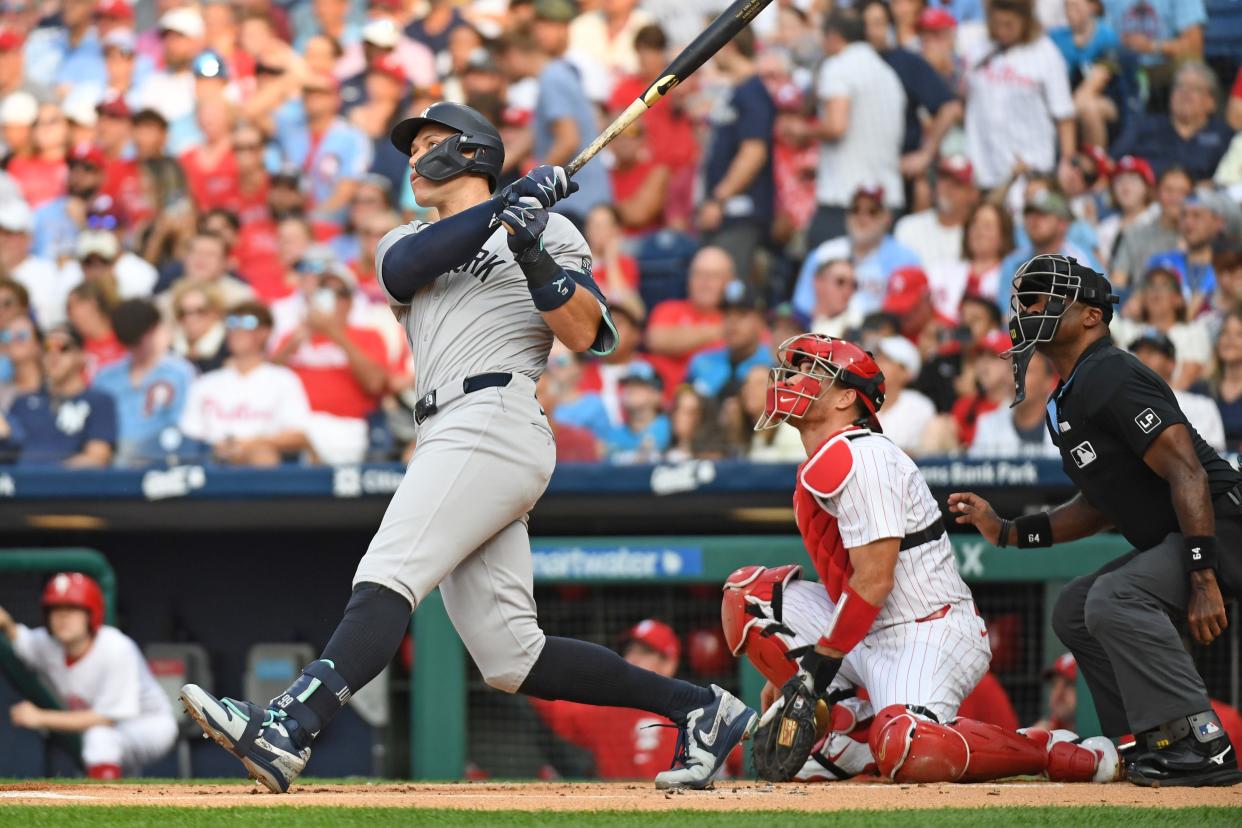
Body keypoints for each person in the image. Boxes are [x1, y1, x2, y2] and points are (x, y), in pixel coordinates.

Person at [179, 102, 755, 794]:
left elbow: (585, 334)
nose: (414, 158)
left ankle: (291, 726)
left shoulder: (555, 228)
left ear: (471, 152)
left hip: (496, 413)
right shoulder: (405, 238)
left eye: (428, 144)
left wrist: (534, 248)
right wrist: (507, 207)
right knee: (512, 655)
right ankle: (699, 708)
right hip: (444, 428)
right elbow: (412, 265)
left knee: (390, 569)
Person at [742, 334, 1116, 784]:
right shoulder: (823, 459)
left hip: (925, 630)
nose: (793, 379)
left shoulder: (865, 457)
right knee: (748, 598)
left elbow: (875, 581)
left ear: (845, 398)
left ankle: (1050, 751)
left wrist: (812, 671)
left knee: (910, 749)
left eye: (810, 372)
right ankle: (850, 733)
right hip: (864, 630)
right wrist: (787, 675)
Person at [950, 254, 1242, 786]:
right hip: (1187, 533)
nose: (1031, 308)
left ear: (1091, 315)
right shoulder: (1068, 395)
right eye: (1028, 300)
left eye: (1046, 298)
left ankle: (1201, 744)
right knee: (1075, 609)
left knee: (1115, 597)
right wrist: (1012, 532)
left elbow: (1188, 472)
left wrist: (1203, 575)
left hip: (1224, 526)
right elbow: (1100, 504)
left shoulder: (1110, 370)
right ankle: (1143, 741)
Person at [0, 572, 177, 779]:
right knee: (103, 744)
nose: (63, 617)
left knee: (99, 738)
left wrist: (41, 717)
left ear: (90, 614)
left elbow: (105, 719)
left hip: (149, 723)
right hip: (108, 727)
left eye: (72, 609)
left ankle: (103, 806)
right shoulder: (47, 644)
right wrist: (6, 624)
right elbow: (19, 639)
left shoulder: (116, 647)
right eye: (56, 609)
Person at [530, 618, 682, 779]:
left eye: (644, 652)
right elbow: (556, 709)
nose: (632, 658)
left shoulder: (691, 713)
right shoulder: (608, 708)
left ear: (669, 664)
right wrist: (526, 673)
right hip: (616, 802)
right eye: (630, 650)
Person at [271, 262, 388, 465]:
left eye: (340, 292)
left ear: (351, 301)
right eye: (324, 289)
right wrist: (293, 345)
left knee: (271, 445)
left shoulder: (368, 336)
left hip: (344, 429)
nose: (332, 297)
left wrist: (334, 332)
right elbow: (264, 382)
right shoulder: (293, 336)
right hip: (294, 426)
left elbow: (375, 383)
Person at [807, 8, 905, 248]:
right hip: (887, 202)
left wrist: (802, 132)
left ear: (833, 36)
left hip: (846, 202)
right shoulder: (888, 73)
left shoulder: (838, 66)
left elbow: (837, 125)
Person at [962, 0, 1076, 192]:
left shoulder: (1046, 53)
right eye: (997, 24)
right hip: (983, 168)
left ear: (1025, 21)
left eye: (1009, 25)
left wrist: (1067, 162)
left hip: (1031, 169)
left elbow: (1064, 114)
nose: (1002, 31)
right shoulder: (977, 47)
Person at [180, 302, 311, 467]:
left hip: (263, 466)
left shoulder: (284, 380)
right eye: (232, 322)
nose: (237, 330)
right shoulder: (206, 383)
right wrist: (220, 448)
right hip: (213, 465)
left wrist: (249, 445)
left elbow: (298, 436)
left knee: (263, 454)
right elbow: (190, 436)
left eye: (248, 322)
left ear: (265, 332)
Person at [697, 26, 775, 284]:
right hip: (726, 214)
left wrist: (719, 199)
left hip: (740, 213)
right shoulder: (738, 89)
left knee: (727, 290)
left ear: (728, 46)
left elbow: (754, 153)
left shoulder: (753, 91)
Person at [91, 298, 194, 467]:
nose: (134, 348)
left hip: (164, 461)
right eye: (128, 343)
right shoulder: (106, 377)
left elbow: (183, 425)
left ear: (153, 330)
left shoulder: (179, 373)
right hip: (114, 464)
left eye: (138, 341)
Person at [794, 185, 921, 319]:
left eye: (872, 212)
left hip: (880, 333)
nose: (862, 218)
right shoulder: (823, 254)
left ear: (887, 218)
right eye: (856, 210)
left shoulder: (906, 259)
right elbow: (803, 310)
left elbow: (912, 314)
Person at [1, 324, 116, 466]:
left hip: (69, 485)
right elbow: (8, 448)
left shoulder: (99, 401)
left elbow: (97, 458)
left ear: (81, 355)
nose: (53, 355)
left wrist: (47, 474)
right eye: (47, 348)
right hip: (20, 484)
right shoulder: (22, 403)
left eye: (63, 348)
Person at [1110, 61, 1233, 183]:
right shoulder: (1144, 127)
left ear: (1211, 102)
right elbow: (1113, 163)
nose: (1185, 93)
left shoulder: (1224, 136)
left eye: (1194, 88)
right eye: (1179, 86)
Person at [644, 246, 731, 394]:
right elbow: (656, 339)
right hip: (662, 398)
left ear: (729, 281)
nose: (705, 282)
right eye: (699, 274)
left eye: (714, 276)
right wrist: (720, 330)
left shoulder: (737, 317)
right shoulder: (668, 309)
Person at [1111, 265, 1211, 390]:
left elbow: (1190, 375)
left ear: (1179, 299)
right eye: (1150, 286)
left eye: (1164, 286)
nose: (1156, 292)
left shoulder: (1193, 332)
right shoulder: (1126, 328)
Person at [1130, 331, 1224, 452]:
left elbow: (1213, 452)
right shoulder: (1124, 403)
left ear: (1171, 363)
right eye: (1138, 353)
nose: (1142, 358)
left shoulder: (1201, 405)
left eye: (1151, 353)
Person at [1050, 0, 1122, 150]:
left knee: (1088, 107)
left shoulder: (1107, 36)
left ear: (1092, 6)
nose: (1070, 12)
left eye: (1075, 6)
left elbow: (1099, 79)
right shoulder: (1055, 38)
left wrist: (1067, 108)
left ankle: (1098, 164)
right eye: (1067, 6)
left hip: (1105, 97)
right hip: (1063, 96)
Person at [685, 280, 772, 402]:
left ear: (761, 322)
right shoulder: (701, 362)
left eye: (742, 314)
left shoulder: (773, 367)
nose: (732, 322)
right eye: (727, 315)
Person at [1109, 165, 1192, 289]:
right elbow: (1116, 285)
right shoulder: (1134, 235)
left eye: (1182, 192)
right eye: (1169, 191)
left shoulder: (1199, 240)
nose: (1175, 198)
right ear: (1157, 193)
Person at [894, 156, 980, 272]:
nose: (947, 187)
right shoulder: (908, 226)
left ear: (973, 193)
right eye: (943, 178)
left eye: (957, 183)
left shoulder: (978, 235)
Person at [872, 334, 936, 453]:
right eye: (877, 357)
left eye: (886, 359)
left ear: (905, 373)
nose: (877, 362)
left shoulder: (920, 406)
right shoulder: (859, 401)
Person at [603, 361, 671, 463]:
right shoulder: (613, 435)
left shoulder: (672, 431)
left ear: (657, 395)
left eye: (639, 385)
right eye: (627, 384)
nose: (630, 389)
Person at [169, 282, 228, 375]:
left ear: (216, 313)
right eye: (182, 312)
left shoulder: (229, 349)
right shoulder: (169, 349)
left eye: (200, 311)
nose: (190, 318)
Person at [809, 258, 862, 338]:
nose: (847, 291)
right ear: (818, 281)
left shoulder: (856, 327)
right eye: (840, 282)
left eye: (854, 285)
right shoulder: (793, 320)